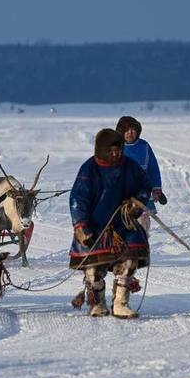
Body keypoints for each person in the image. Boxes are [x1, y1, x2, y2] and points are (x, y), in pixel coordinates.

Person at [68, 128, 152, 318]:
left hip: (124, 225)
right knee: (93, 270)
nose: (116, 154)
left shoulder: (130, 166)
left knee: (129, 262)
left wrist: (136, 203)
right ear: (101, 150)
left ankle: (120, 303)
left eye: (118, 149)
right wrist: (80, 225)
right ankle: (98, 304)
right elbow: (78, 198)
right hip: (95, 228)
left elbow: (145, 186)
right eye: (111, 150)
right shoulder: (89, 169)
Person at [115, 115, 164, 220]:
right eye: (127, 130)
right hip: (120, 193)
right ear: (121, 132)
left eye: (133, 130)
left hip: (142, 192)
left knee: (143, 220)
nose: (130, 133)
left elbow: (153, 169)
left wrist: (156, 188)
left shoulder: (144, 146)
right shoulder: (115, 148)